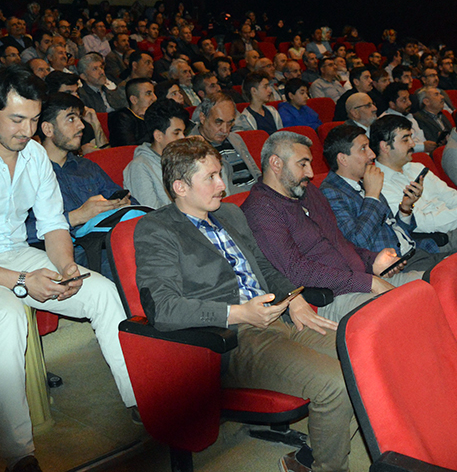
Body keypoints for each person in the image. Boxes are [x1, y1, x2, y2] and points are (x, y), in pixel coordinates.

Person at [0, 66, 136, 472]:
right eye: (17, 119)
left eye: (35, 120)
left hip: (16, 253)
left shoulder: (35, 155)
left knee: (101, 291)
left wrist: (66, 265)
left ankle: (139, 400)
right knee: (5, 313)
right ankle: (16, 454)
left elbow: (54, 225)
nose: (28, 131)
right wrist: (21, 282)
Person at [134, 137, 353, 472]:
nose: (223, 185)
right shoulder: (156, 230)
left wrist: (293, 298)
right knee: (335, 384)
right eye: (210, 178)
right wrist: (238, 313)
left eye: (220, 174)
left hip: (275, 318)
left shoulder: (230, 214)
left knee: (358, 358)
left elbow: (263, 266)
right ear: (180, 187)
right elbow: (162, 308)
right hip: (229, 340)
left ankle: (310, 459)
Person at [242, 131, 427, 323]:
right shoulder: (261, 209)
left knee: (432, 281)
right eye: (302, 164)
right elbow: (296, 271)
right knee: (404, 313)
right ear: (276, 163)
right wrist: (368, 282)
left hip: (361, 280)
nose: (311, 173)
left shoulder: (308, 191)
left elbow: (340, 241)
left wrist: (372, 260)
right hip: (331, 298)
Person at [32, 92, 136, 280]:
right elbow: (19, 231)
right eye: (71, 119)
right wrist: (75, 217)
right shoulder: (29, 172)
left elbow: (125, 198)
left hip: (108, 242)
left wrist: (122, 204)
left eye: (79, 118)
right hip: (66, 254)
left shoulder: (87, 167)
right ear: (48, 129)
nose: (81, 125)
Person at [372, 114, 457, 250]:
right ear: (385, 147)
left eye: (411, 137)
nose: (412, 144)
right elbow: (425, 225)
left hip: (455, 223)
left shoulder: (416, 167)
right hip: (435, 241)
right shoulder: (379, 185)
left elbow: (451, 196)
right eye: (405, 140)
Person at [321, 123, 446, 258]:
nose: (372, 155)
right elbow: (358, 242)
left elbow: (395, 231)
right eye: (363, 148)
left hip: (418, 250)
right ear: (343, 159)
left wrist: (405, 208)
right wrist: (372, 196)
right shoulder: (330, 194)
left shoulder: (363, 181)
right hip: (397, 263)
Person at [188, 93, 261, 195]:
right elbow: (220, 191)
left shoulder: (235, 139)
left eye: (230, 123)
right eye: (218, 122)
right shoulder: (193, 147)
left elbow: (256, 173)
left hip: (257, 193)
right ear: (203, 118)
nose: (225, 130)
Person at [123, 98, 188, 208]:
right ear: (158, 136)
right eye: (176, 133)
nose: (183, 138)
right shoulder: (139, 167)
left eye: (183, 132)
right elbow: (150, 210)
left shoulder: (184, 158)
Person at [107, 78, 156, 147]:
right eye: (148, 94)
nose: (154, 98)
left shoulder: (155, 115)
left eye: (154, 93)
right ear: (134, 100)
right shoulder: (121, 118)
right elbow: (128, 147)